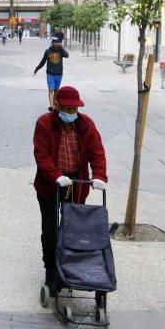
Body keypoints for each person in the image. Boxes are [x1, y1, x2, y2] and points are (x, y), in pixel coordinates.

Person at [32, 86, 108, 295]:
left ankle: (68, 270)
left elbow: (97, 152)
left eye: (74, 109)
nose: (71, 112)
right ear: (57, 105)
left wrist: (99, 176)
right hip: (50, 184)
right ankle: (50, 272)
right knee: (50, 230)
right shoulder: (44, 123)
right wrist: (56, 175)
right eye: (67, 108)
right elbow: (42, 155)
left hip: (76, 185)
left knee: (73, 231)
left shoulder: (86, 125)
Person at [34, 36, 70, 110]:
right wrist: (37, 68)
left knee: (56, 90)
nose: (55, 43)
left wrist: (61, 47)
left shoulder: (61, 51)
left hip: (59, 74)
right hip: (50, 74)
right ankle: (51, 105)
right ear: (52, 43)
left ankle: (54, 104)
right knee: (51, 89)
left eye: (57, 42)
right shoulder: (48, 51)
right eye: (54, 42)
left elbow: (67, 55)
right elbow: (43, 61)